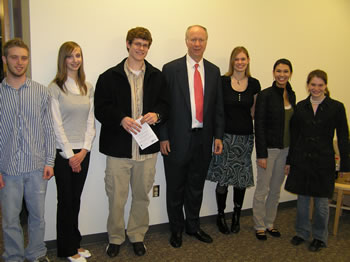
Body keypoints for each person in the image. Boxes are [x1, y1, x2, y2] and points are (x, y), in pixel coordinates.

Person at [94, 27, 169, 257]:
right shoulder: (109, 76)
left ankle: (137, 235)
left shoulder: (157, 76)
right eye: (137, 44)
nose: (141, 49)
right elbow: (100, 109)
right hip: (118, 150)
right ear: (128, 44)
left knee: (141, 197)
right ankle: (115, 238)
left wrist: (157, 115)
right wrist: (121, 119)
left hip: (146, 151)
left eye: (145, 45)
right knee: (116, 198)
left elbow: (167, 104)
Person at [160, 25, 224, 248]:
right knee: (175, 187)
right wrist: (163, 137)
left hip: (203, 139)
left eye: (201, 40)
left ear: (206, 42)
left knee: (195, 186)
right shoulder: (170, 69)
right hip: (176, 140)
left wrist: (218, 136)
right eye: (193, 39)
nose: (197, 44)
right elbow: (163, 107)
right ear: (186, 41)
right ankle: (176, 229)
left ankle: (193, 226)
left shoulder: (214, 71)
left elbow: (218, 107)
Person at [0, 38, 55, 262]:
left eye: (24, 58)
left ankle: (36, 253)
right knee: (10, 219)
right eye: (14, 57)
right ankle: (13, 256)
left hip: (36, 167)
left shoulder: (41, 92)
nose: (19, 62)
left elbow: (49, 130)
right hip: (8, 170)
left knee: (37, 216)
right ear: (4, 60)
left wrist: (49, 161)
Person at [285, 69, 349, 252]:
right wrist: (289, 161)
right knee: (303, 200)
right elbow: (294, 136)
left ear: (326, 86)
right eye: (313, 84)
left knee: (321, 203)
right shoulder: (301, 107)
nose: (316, 88)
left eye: (320, 85)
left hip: (323, 161)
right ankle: (302, 232)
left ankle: (320, 237)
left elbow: (344, 137)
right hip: (302, 160)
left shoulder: (336, 107)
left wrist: (345, 164)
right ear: (307, 85)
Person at [49, 42, 96, 262]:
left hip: (83, 153)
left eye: (78, 55)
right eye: (70, 56)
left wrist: (84, 151)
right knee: (65, 201)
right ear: (63, 60)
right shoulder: (55, 88)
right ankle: (66, 250)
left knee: (75, 200)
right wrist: (71, 155)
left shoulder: (87, 87)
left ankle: (75, 244)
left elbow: (90, 122)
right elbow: (56, 125)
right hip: (63, 154)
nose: (75, 60)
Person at [207, 46, 261, 234]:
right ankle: (220, 214)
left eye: (243, 59)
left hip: (245, 138)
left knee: (240, 179)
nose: (240, 62)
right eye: (236, 59)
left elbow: (254, 112)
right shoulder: (222, 81)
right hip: (225, 138)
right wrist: (217, 136)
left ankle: (236, 215)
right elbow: (217, 109)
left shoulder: (254, 83)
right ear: (232, 61)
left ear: (248, 60)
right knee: (222, 179)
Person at [252, 58, 296, 240]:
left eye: (285, 71)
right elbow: (259, 125)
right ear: (273, 73)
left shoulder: (291, 95)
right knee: (262, 189)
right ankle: (259, 225)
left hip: (285, 150)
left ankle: (270, 223)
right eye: (278, 71)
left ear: (290, 74)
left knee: (276, 190)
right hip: (268, 151)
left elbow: (294, 127)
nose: (282, 74)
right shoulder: (266, 95)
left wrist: (291, 156)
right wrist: (261, 154)